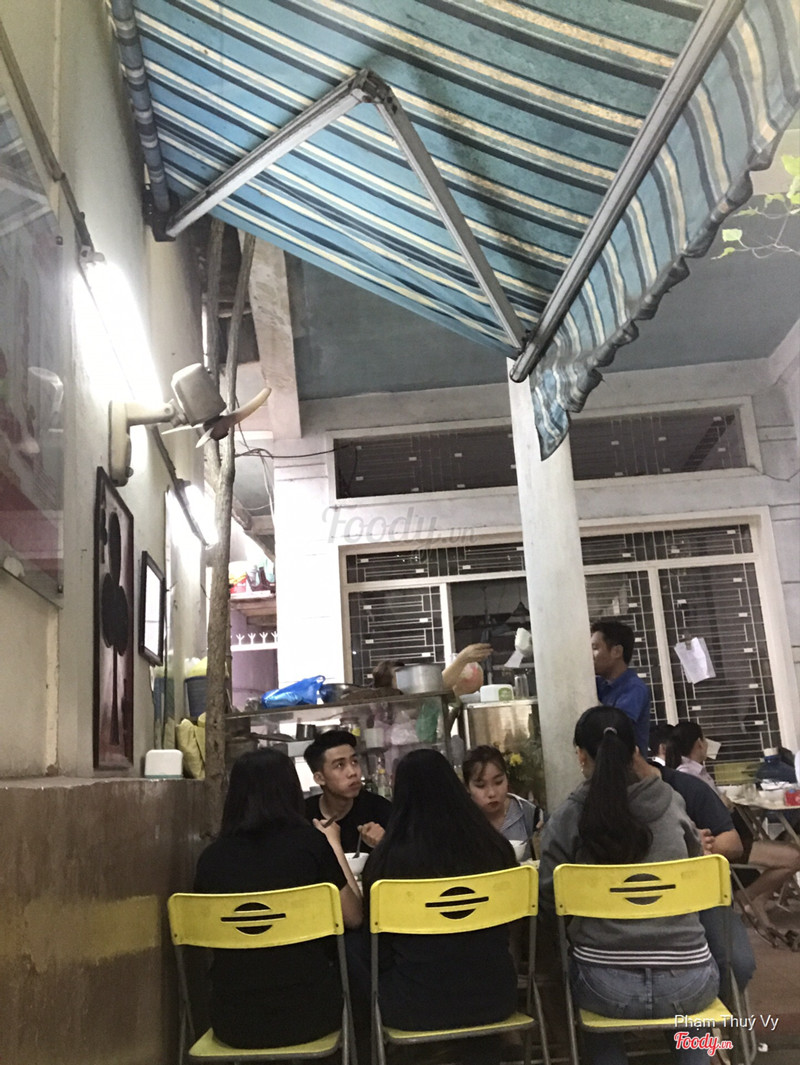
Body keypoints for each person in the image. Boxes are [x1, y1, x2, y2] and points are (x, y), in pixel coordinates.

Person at [539, 706, 719, 1065]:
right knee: (689, 1010)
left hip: (604, 986)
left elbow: (548, 900)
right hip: (689, 981)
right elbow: (697, 868)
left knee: (587, 995)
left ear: (581, 756)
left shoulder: (568, 817)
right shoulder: (672, 804)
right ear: (635, 752)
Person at [193, 748, 362, 1049]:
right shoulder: (310, 846)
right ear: (290, 790)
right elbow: (354, 917)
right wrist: (333, 845)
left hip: (233, 1022)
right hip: (312, 1015)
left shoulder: (212, 859)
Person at [362, 748, 518, 1065]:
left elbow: (378, 945)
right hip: (495, 997)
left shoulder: (387, 861)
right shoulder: (494, 848)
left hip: (414, 1003)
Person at [666, 720, 800, 944]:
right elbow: (717, 809)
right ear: (699, 743)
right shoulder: (690, 776)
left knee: (788, 847)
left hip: (731, 837)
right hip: (725, 843)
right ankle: (751, 897)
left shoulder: (691, 772)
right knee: (794, 855)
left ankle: (756, 899)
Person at [631, 749, 756, 990]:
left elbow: (733, 843)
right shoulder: (602, 799)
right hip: (639, 904)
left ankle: (718, 1008)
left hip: (700, 899)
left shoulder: (685, 787)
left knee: (738, 963)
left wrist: (694, 845)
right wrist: (685, 842)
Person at [304, 729, 392, 853]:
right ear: (320, 778)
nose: (353, 772)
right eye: (340, 765)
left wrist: (384, 844)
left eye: (354, 762)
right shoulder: (304, 817)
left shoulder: (380, 810)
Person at [463, 744, 543, 860]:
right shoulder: (462, 821)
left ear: (507, 778)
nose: (492, 793)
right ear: (467, 787)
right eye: (481, 785)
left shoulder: (529, 815)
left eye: (498, 782)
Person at [591, 619, 651, 756]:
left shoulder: (634, 688)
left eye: (595, 648)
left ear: (617, 652)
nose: (589, 655)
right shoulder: (601, 684)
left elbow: (615, 727)